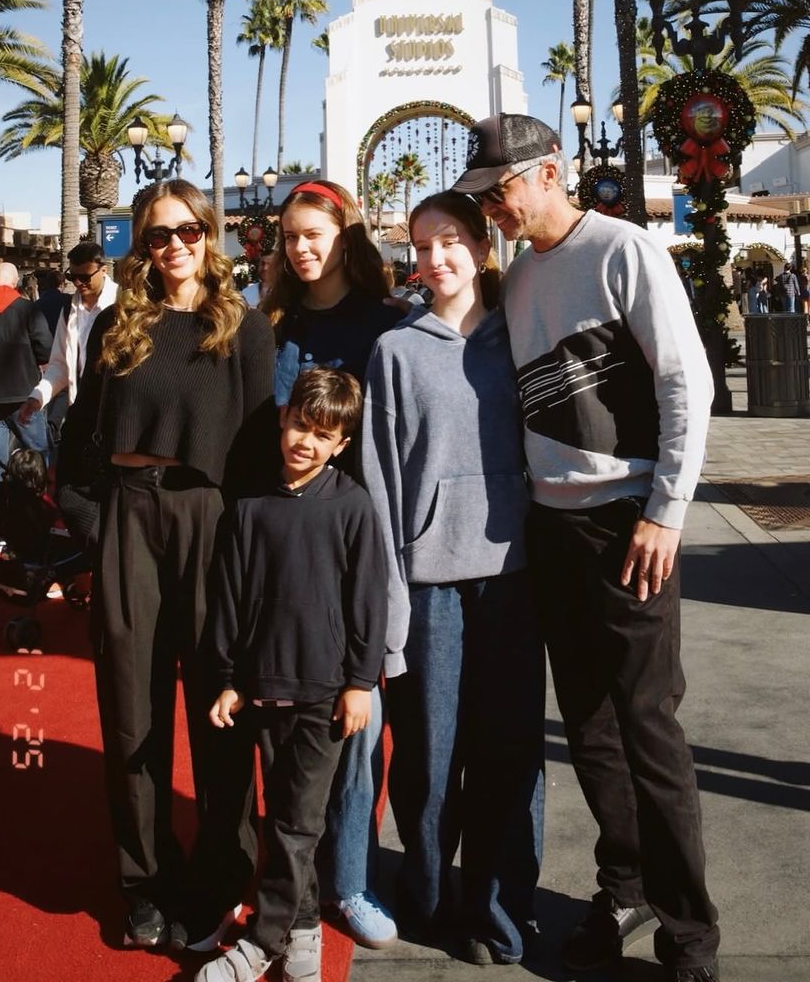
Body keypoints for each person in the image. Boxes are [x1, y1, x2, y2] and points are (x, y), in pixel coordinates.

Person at [452, 113, 718, 982]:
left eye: (501, 191)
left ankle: (689, 934)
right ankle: (625, 885)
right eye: (481, 197)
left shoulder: (624, 249)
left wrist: (666, 510)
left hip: (630, 521)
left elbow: (686, 379)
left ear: (552, 171)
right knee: (593, 725)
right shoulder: (519, 276)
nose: (492, 208)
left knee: (648, 727)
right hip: (552, 528)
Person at [59, 179, 275, 949]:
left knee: (220, 704)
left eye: (187, 231)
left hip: (209, 519)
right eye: (157, 235)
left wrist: (251, 556)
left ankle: (223, 873)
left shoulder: (242, 328)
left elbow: (256, 455)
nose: (174, 246)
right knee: (131, 710)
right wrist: (92, 521)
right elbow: (78, 436)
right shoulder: (116, 326)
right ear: (140, 247)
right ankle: (144, 881)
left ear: (207, 235)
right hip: (128, 515)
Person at [361, 190, 545, 966]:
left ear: (480, 246)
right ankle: (431, 900)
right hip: (430, 583)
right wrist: (391, 602)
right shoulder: (395, 352)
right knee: (431, 759)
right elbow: (380, 485)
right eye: (420, 246)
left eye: (448, 242)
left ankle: (503, 912)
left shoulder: (522, 340)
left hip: (512, 579)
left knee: (509, 753)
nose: (433, 260)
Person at [190, 367, 388, 982]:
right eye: (300, 424)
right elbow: (228, 599)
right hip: (262, 688)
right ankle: (301, 934)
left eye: (321, 434)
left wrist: (360, 681)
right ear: (284, 419)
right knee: (284, 820)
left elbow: (369, 604)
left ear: (341, 445)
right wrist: (228, 677)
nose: (305, 440)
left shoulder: (353, 506)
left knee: (300, 822)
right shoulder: (248, 507)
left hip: (327, 694)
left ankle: (259, 942)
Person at [265, 179, 403, 949]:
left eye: (314, 234)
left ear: (345, 236)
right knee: (284, 725)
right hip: (283, 549)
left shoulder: (388, 327)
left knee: (357, 719)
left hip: (357, 548)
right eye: (290, 236)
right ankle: (291, 874)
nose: (302, 248)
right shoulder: (271, 324)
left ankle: (348, 878)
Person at [18, 242, 118, 447]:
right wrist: (38, 396)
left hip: (117, 415)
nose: (79, 283)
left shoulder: (124, 304)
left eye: (85, 277)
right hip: (81, 410)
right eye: (73, 277)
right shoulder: (69, 309)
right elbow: (61, 365)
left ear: (103, 270)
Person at [0, 261, 52, 479]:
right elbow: (45, 350)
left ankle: (2, 504)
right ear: (15, 281)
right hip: (23, 396)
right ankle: (40, 499)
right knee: (39, 455)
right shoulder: (27, 309)